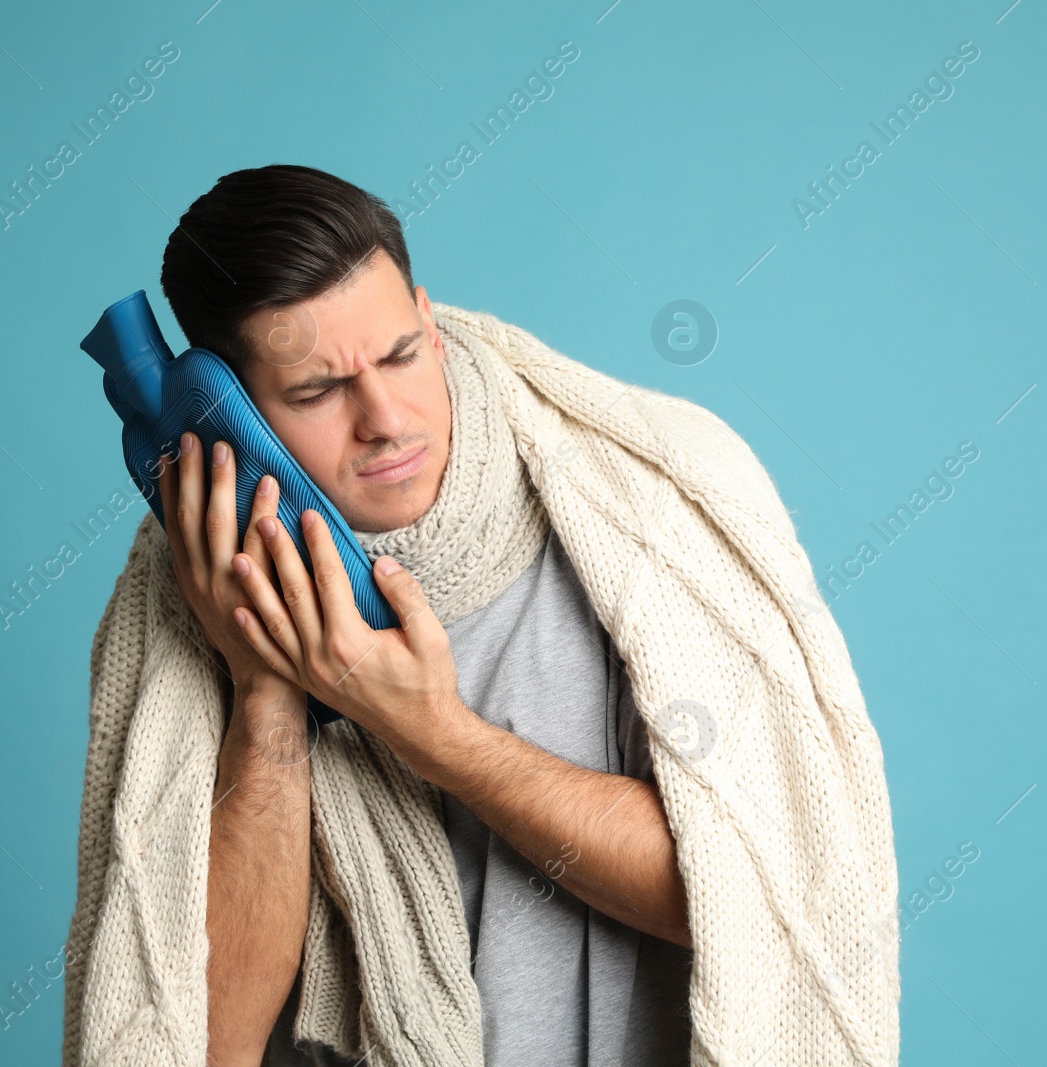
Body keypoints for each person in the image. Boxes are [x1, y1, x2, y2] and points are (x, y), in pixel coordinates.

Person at [155, 164, 693, 1065]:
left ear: (431, 324)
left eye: (401, 355)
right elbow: (200, 1043)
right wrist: (268, 686)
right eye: (319, 391)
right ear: (233, 415)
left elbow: (727, 893)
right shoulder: (206, 590)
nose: (386, 418)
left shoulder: (629, 514)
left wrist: (431, 730)